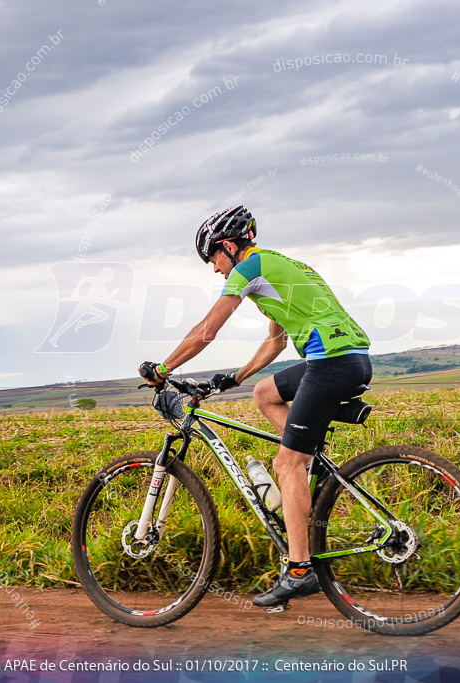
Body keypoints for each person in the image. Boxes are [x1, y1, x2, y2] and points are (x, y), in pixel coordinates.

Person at [141, 206, 371, 607]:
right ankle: (304, 479)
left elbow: (207, 330)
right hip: (349, 360)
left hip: (330, 364)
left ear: (228, 246)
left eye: (212, 258)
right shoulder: (282, 266)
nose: (214, 269)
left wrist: (162, 369)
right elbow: (277, 341)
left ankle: (300, 570)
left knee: (286, 463)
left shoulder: (248, 270)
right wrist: (238, 376)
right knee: (265, 394)